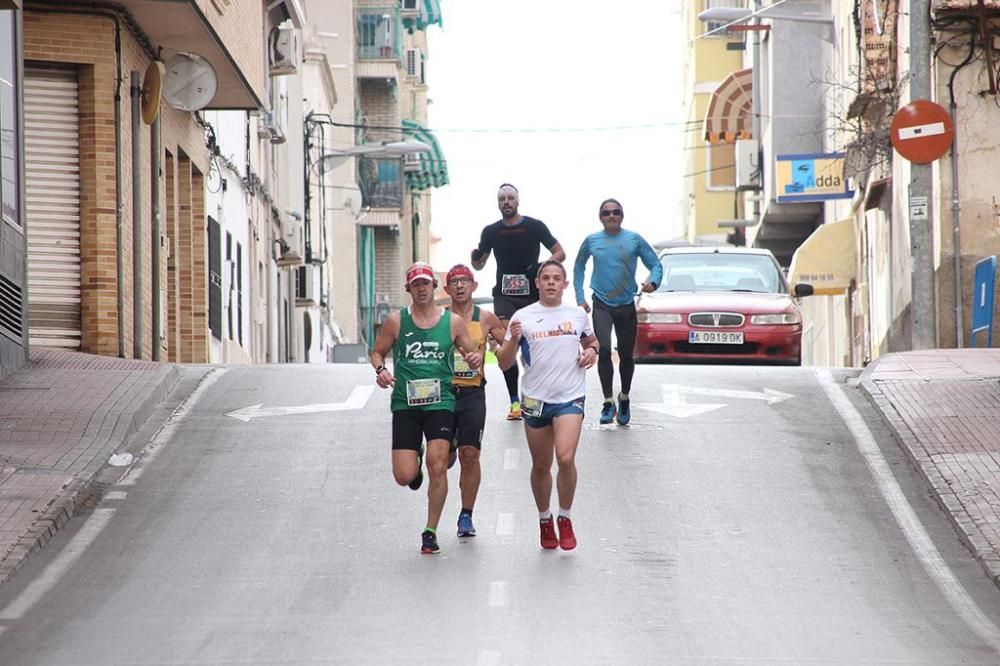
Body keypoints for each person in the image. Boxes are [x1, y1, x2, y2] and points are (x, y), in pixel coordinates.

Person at [370, 262, 483, 555]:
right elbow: (377, 351)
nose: (421, 289)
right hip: (405, 404)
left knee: (439, 465)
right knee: (404, 476)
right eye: (415, 285)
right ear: (409, 289)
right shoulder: (397, 321)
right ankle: (414, 458)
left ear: (434, 287)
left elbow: (472, 354)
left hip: (441, 402)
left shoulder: (453, 323)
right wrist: (381, 369)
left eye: (425, 284)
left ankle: (430, 531)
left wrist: (473, 360)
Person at [496, 259, 598, 551]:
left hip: (570, 396)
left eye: (557, 278)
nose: (552, 282)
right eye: (547, 278)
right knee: (542, 465)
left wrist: (591, 351)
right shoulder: (522, 316)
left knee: (565, 458)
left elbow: (593, 343)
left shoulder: (577, 315)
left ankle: (565, 517)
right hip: (535, 399)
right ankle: (544, 519)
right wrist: (513, 341)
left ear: (564, 284)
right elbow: (504, 362)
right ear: (537, 283)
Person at [472, 183, 566, 421]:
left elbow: (560, 253)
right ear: (498, 203)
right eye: (502, 198)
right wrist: (475, 257)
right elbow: (479, 263)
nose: (506, 202)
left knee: (531, 345)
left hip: (532, 297)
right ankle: (514, 402)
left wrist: (541, 267)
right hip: (504, 296)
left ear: (517, 201)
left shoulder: (534, 226)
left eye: (510, 198)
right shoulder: (491, 231)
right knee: (507, 344)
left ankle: (534, 396)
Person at [573, 198, 662, 426]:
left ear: (622, 215)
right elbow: (578, 266)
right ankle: (607, 401)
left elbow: (655, 264)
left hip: (625, 305)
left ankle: (624, 397)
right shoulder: (592, 240)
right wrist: (580, 297)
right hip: (601, 303)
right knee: (603, 350)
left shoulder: (633, 239)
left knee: (625, 354)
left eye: (616, 212)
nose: (611, 216)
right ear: (600, 217)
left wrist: (654, 281)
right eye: (606, 213)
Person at [443, 264, 507, 538]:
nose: (459, 286)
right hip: (443, 394)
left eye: (464, 281)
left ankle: (466, 515)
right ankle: (445, 446)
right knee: (443, 461)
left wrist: (498, 347)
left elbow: (508, 347)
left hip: (472, 393)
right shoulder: (438, 318)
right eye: (454, 282)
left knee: (470, 455)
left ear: (473, 286)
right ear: (446, 289)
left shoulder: (487, 318)